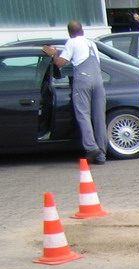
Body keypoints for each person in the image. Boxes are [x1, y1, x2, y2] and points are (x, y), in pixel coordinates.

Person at [43, 22, 108, 165]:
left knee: (83, 114)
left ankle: (91, 148)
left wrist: (54, 54)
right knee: (99, 117)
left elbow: (60, 63)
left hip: (83, 80)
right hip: (98, 81)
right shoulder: (92, 43)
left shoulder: (72, 42)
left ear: (69, 32)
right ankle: (101, 155)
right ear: (82, 30)